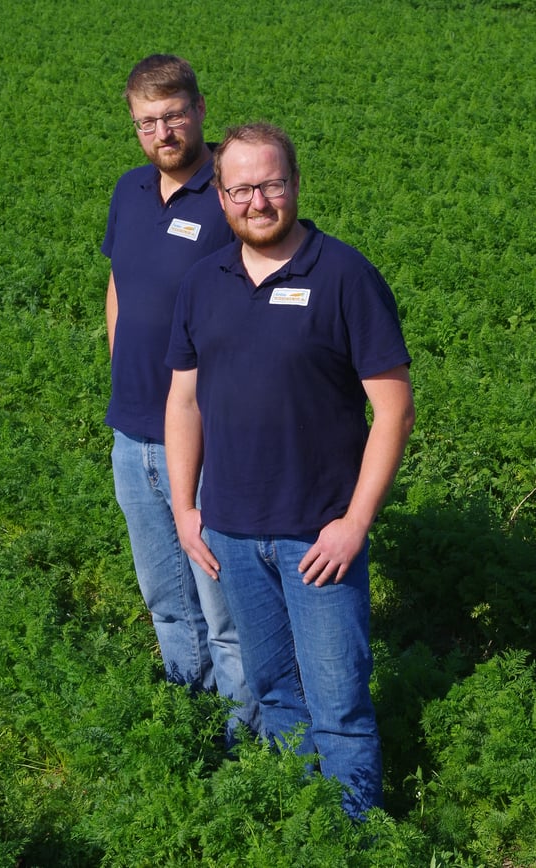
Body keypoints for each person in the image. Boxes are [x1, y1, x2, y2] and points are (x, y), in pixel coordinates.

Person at [165, 122, 415, 818]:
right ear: (220, 196)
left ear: (296, 185)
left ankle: (353, 839)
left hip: (317, 537)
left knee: (339, 706)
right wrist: (185, 508)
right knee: (275, 693)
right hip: (232, 534)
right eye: (241, 188)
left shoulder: (345, 276)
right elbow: (182, 401)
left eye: (272, 184)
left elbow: (394, 412)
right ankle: (300, 825)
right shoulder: (203, 282)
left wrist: (354, 524)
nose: (258, 201)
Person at [102, 55, 258, 733]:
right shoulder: (130, 190)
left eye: (172, 116)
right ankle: (189, 721)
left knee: (224, 609)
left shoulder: (230, 195)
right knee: (166, 596)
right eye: (147, 122)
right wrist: (122, 367)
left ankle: (244, 741)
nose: (161, 133)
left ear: (199, 109)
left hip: (205, 437)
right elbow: (119, 284)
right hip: (132, 431)